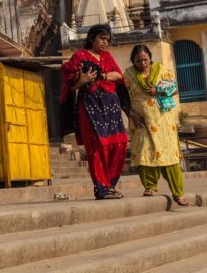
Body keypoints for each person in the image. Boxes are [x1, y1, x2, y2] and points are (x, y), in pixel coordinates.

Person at [61, 24, 129, 200]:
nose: (105, 42)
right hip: (90, 106)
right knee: (97, 146)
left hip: (111, 106)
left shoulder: (107, 57)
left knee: (119, 143)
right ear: (92, 38)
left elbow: (119, 76)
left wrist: (103, 76)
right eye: (102, 38)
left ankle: (110, 185)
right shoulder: (80, 56)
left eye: (107, 39)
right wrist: (83, 80)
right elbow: (71, 84)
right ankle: (101, 188)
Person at [123, 45, 189, 206]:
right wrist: (131, 115)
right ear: (133, 61)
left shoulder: (161, 71)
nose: (142, 63)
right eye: (138, 61)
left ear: (150, 58)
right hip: (140, 121)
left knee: (169, 155)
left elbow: (175, 90)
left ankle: (178, 193)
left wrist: (158, 90)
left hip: (163, 120)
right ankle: (150, 186)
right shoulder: (128, 74)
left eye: (145, 60)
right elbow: (123, 98)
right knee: (145, 152)